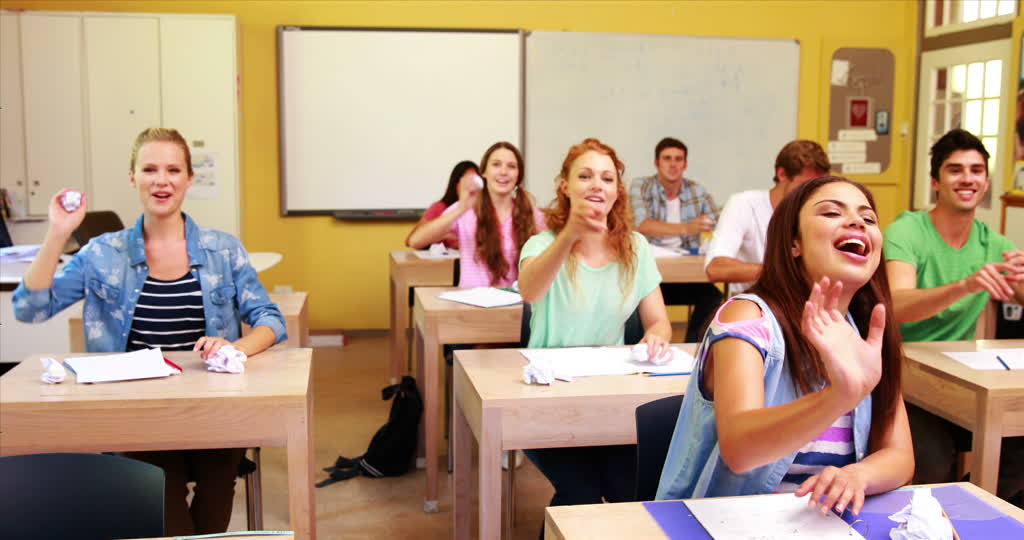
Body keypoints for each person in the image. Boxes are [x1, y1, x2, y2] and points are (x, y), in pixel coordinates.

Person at [12, 127, 287, 535]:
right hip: (136, 413)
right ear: (133, 177)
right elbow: (30, 309)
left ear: (189, 179)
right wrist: (58, 232)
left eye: (174, 169)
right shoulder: (102, 253)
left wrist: (237, 348)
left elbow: (271, 320)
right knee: (161, 497)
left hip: (213, 413)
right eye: (150, 169)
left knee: (216, 489)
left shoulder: (223, 249)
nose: (162, 180)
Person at [657, 176, 914, 518]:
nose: (857, 222)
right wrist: (840, 396)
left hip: (822, 523)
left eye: (868, 219)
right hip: (730, 524)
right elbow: (740, 450)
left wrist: (858, 475)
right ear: (794, 243)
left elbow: (900, 456)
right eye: (831, 213)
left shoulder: (870, 332)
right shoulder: (745, 317)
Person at [518, 138, 672, 530]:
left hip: (609, 397)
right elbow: (530, 291)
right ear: (565, 186)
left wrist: (655, 336)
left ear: (618, 190)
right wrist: (569, 234)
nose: (596, 185)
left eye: (607, 178)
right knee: (580, 492)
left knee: (628, 490)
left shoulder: (635, 247)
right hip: (547, 399)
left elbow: (659, 321)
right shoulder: (542, 244)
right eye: (584, 176)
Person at [884, 128, 1024, 506]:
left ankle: (973, 508)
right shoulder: (906, 231)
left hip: (964, 384)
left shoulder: (993, 243)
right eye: (955, 169)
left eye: (977, 170)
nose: (968, 178)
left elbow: (1019, 294)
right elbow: (896, 304)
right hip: (904, 382)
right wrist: (964, 285)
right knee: (930, 456)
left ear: (986, 181)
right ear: (935, 182)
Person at [407, 142, 544, 287]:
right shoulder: (465, 209)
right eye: (496, 164)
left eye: (511, 166)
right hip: (471, 304)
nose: (503, 172)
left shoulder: (531, 213)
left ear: (519, 175)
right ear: (484, 172)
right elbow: (416, 241)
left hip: (515, 303)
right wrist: (461, 209)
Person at [705, 140, 830, 296]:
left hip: (804, 302)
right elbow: (716, 269)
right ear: (782, 174)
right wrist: (781, 272)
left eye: (817, 186)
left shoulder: (817, 211)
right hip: (754, 303)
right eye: (804, 185)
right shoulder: (744, 204)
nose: (811, 193)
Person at [629, 137, 722, 342]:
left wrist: (709, 223)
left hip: (686, 273)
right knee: (630, 297)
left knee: (713, 295)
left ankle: (692, 348)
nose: (673, 164)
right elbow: (642, 225)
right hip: (651, 276)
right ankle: (640, 348)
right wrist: (688, 228)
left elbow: (719, 221)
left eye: (678, 159)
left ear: (685, 164)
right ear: (657, 163)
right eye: (667, 158)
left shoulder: (697, 191)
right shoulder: (641, 186)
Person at [404, 160, 478, 249]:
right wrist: (441, 234)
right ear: (456, 184)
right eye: (466, 181)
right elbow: (410, 241)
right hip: (445, 262)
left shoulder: (483, 210)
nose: (471, 187)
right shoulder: (441, 208)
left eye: (475, 181)